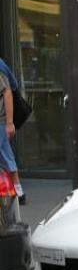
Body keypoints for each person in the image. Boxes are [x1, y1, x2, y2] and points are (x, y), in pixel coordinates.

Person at [0, 58, 25, 205]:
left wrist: (9, 123)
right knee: (5, 155)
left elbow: (7, 93)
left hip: (1, 121)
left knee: (5, 155)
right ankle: (18, 191)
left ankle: (18, 192)